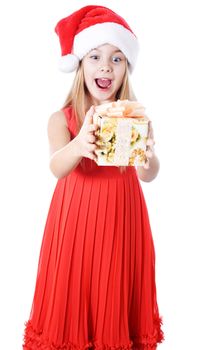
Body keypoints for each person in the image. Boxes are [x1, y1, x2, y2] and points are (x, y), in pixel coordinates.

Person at [22, 5, 165, 350]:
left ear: (126, 70)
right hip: (74, 224)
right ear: (80, 65)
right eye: (95, 56)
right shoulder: (62, 119)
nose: (105, 66)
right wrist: (79, 144)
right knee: (74, 291)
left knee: (114, 290)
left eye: (116, 59)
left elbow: (150, 173)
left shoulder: (134, 117)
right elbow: (57, 167)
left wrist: (146, 155)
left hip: (122, 220)